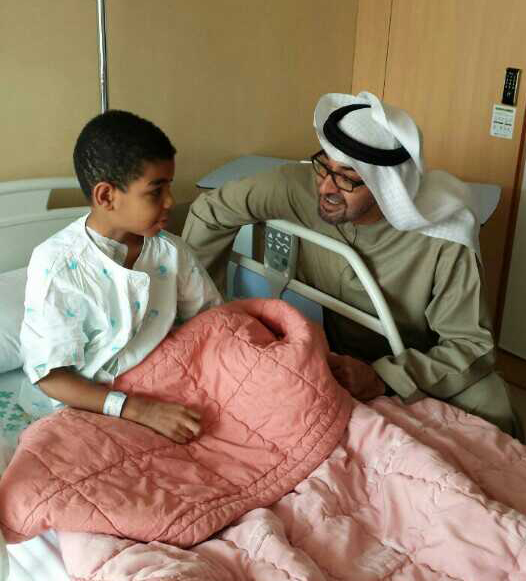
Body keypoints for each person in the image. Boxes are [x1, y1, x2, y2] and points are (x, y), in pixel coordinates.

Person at [182, 91, 523, 440]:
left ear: (385, 188)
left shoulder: (444, 238)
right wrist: (205, 315)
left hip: (414, 358)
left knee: (496, 408)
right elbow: (211, 212)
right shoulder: (297, 187)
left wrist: (384, 377)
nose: (326, 187)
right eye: (324, 166)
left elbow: (469, 345)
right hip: (326, 343)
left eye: (346, 178)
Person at [19, 110, 222, 443]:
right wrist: (136, 409)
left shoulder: (170, 253)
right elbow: (50, 377)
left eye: (169, 187)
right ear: (106, 196)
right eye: (156, 191)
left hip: (163, 384)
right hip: (84, 406)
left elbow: (213, 322)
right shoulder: (58, 266)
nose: (171, 201)